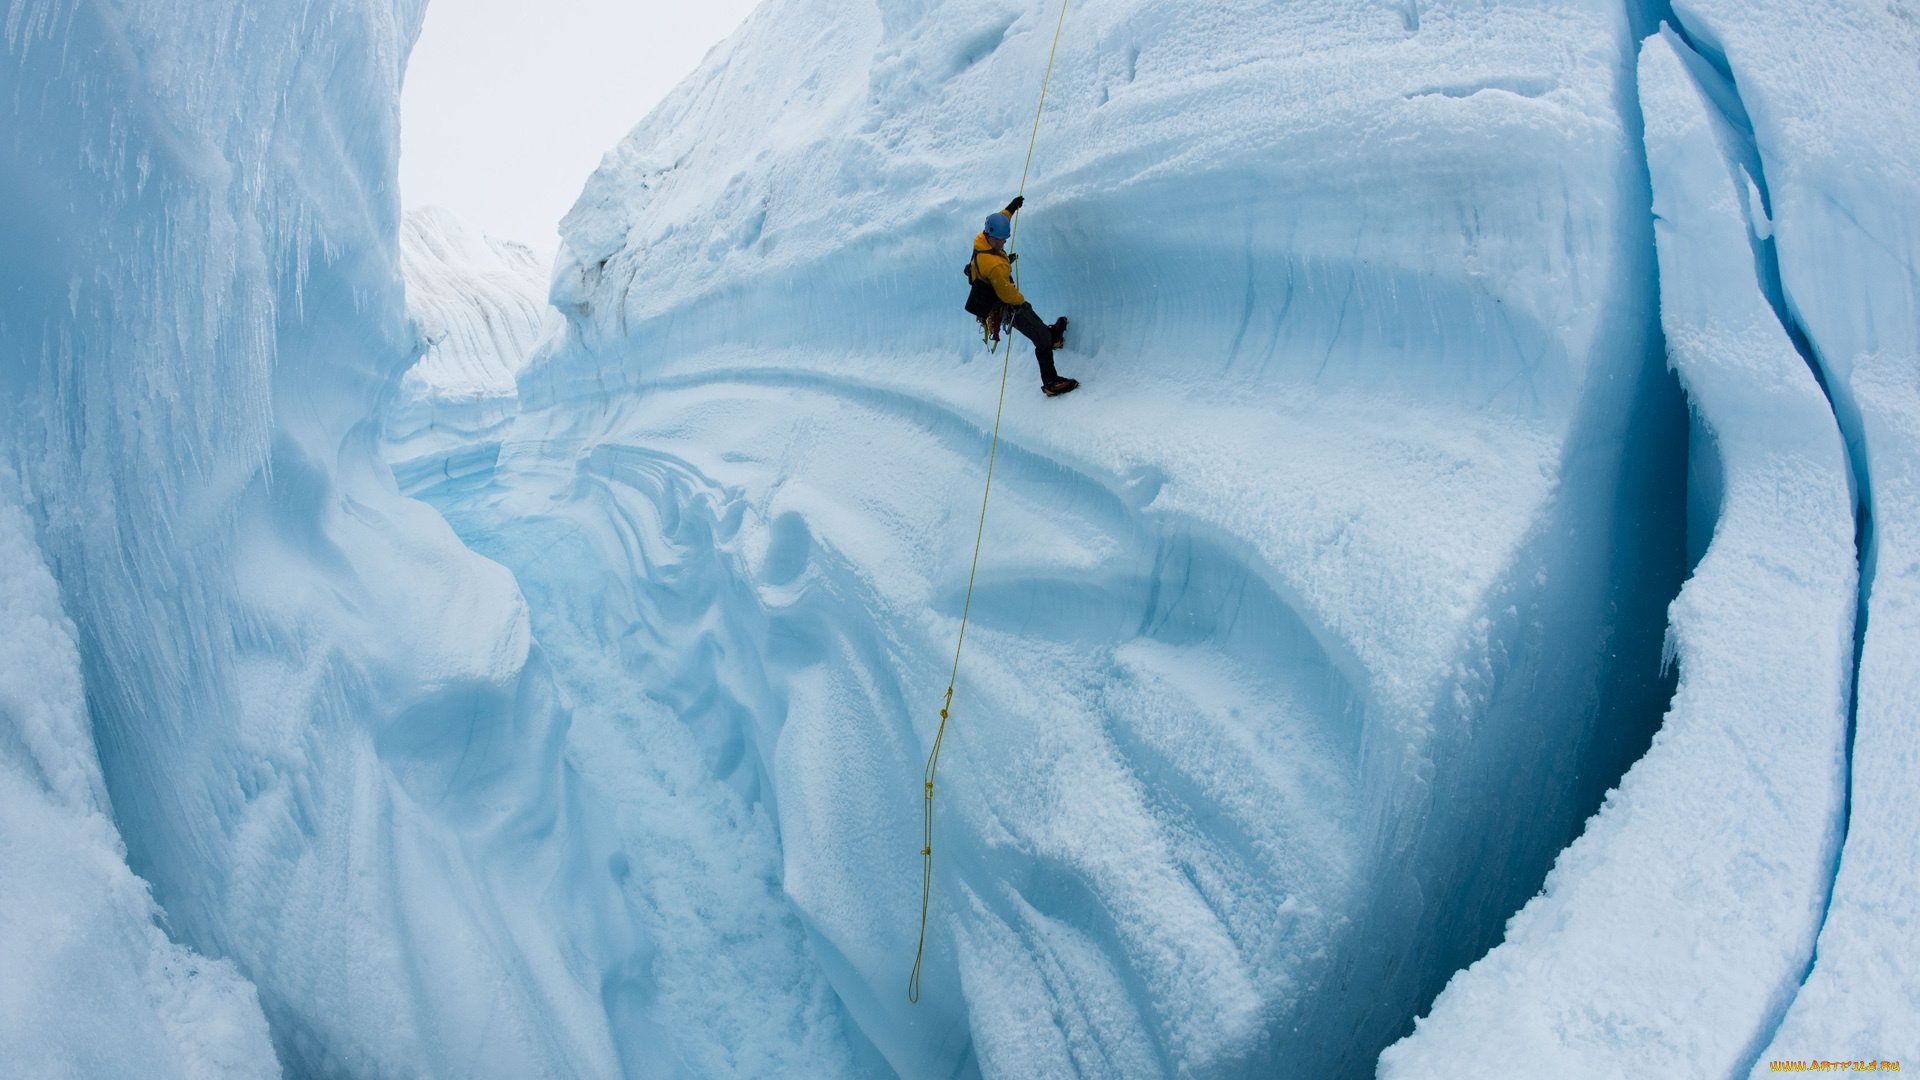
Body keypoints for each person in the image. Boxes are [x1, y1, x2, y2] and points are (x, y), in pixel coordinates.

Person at [966, 196, 1077, 396]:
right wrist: (1020, 301)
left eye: (1004, 239)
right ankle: (1050, 382)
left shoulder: (981, 240)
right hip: (1005, 306)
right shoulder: (994, 265)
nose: (1002, 242)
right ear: (989, 236)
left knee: (1034, 321)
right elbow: (1007, 294)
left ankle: (1051, 336)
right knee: (1039, 337)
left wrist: (1012, 207)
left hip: (996, 294)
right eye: (999, 239)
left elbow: (1001, 218)